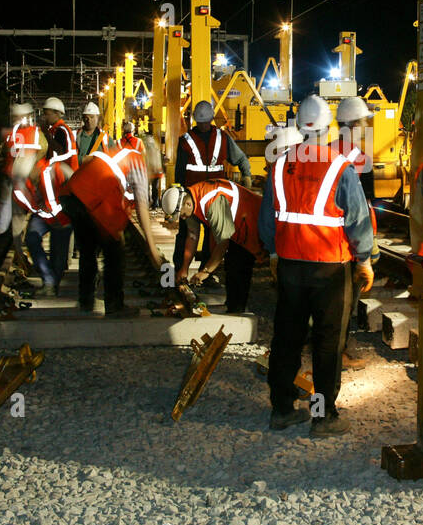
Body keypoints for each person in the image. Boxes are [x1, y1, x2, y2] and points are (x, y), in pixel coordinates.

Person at [259, 96, 375, 438]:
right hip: (330, 269)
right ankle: (323, 417)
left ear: (298, 126)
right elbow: (358, 221)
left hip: (291, 268)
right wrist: (365, 260)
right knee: (327, 345)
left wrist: (274, 255)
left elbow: (268, 222)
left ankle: (281, 410)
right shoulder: (340, 166)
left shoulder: (280, 166)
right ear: (329, 128)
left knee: (287, 339)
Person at [58, 137, 167, 314]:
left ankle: (86, 301)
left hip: (72, 195)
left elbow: (86, 161)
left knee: (88, 252)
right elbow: (141, 206)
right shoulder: (138, 162)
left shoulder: (116, 150)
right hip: (92, 196)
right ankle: (115, 305)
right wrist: (152, 248)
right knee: (114, 252)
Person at [174, 99, 253, 281]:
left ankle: (206, 273)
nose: (202, 125)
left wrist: (246, 175)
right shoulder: (186, 141)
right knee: (188, 233)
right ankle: (181, 270)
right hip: (193, 198)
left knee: (213, 237)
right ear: (195, 120)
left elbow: (240, 159)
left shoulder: (222, 137)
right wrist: (179, 195)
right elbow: (179, 172)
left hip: (216, 197)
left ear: (210, 120)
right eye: (200, 122)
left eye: (205, 122)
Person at [162, 178, 265, 314]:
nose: (183, 218)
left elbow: (223, 243)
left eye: (182, 215)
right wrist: (184, 268)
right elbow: (192, 235)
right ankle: (233, 306)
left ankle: (236, 312)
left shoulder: (213, 202)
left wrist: (206, 272)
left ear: (187, 204)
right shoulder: (192, 198)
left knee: (237, 266)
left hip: (253, 222)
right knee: (232, 266)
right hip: (237, 227)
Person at [332, 96, 382, 369]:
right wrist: (369, 246)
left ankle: (327, 348)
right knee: (347, 300)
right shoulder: (361, 159)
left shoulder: (326, 152)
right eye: (364, 121)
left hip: (330, 240)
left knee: (330, 299)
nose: (366, 126)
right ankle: (339, 353)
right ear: (353, 124)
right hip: (352, 241)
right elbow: (367, 206)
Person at [0, 102, 45, 273]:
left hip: (12, 181)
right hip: (28, 183)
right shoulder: (34, 133)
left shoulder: (10, 134)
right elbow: (42, 151)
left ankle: (18, 251)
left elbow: (4, 154)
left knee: (15, 221)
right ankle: (21, 253)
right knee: (32, 218)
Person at [17, 152, 73, 295]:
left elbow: (76, 185)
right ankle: (48, 280)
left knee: (58, 255)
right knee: (31, 238)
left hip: (63, 216)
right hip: (43, 215)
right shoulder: (24, 182)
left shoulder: (57, 170)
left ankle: (53, 285)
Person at [41, 96, 79, 171]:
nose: (45, 117)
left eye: (47, 114)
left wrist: (45, 133)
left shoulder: (61, 130)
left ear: (56, 113)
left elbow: (60, 150)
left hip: (67, 172)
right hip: (63, 170)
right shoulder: (56, 129)